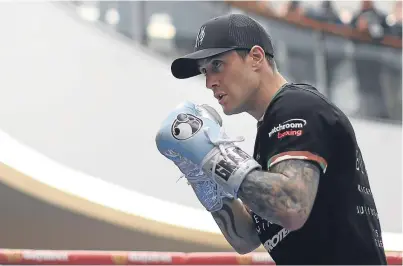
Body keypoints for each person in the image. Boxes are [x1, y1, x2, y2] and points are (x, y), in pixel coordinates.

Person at [156, 13, 387, 265]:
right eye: (204, 72)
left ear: (256, 57)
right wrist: (200, 174)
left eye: (217, 65)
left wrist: (212, 155)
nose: (210, 81)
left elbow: (291, 206)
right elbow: (245, 239)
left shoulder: (297, 107)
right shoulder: (271, 133)